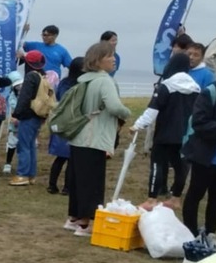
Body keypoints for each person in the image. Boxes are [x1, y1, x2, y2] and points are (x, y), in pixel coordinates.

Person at [64, 43, 130, 236]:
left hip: (79, 135)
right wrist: (126, 113)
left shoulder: (83, 80)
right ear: (98, 60)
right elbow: (114, 106)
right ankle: (84, 224)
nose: (114, 60)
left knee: (77, 180)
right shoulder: (104, 81)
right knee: (91, 182)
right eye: (110, 56)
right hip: (95, 137)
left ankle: (73, 218)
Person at [130, 53, 199, 210]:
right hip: (185, 135)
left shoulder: (166, 85)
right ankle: (176, 198)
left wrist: (137, 125)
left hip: (165, 133)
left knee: (157, 164)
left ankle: (151, 199)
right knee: (180, 167)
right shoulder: (196, 87)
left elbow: (152, 110)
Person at [179, 75, 216, 254]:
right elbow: (199, 122)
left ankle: (211, 232)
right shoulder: (211, 92)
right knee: (196, 194)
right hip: (205, 156)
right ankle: (191, 232)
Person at [47, 57, 85, 194]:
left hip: (61, 122)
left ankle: (53, 185)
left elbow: (59, 97)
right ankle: (66, 187)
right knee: (70, 158)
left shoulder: (64, 82)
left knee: (61, 157)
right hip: (71, 124)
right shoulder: (79, 85)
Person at [9, 49, 47, 186]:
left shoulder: (30, 77)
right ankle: (31, 174)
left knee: (23, 145)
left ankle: (23, 174)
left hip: (28, 115)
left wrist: (16, 114)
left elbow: (24, 98)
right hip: (38, 114)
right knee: (31, 145)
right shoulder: (42, 76)